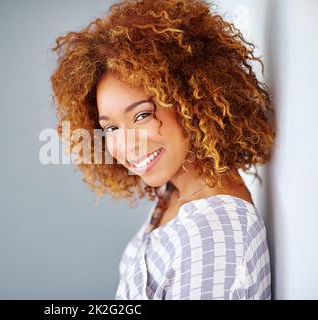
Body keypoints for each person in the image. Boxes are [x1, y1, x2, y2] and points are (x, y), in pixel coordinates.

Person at [50, 0, 275, 299]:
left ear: (193, 103)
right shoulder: (174, 192)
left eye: (142, 115)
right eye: (111, 128)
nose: (127, 144)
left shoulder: (215, 230)